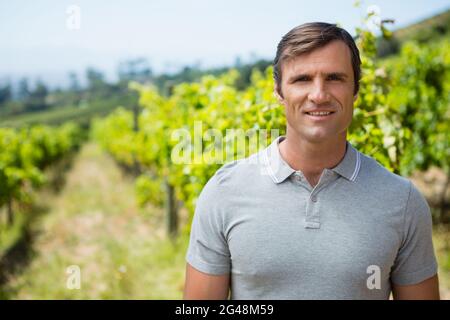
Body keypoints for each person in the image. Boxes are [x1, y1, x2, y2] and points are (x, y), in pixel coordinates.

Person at [183, 22, 440, 300]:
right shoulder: (224, 192)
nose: (318, 95)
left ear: (355, 90)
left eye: (334, 78)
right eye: (302, 79)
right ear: (279, 92)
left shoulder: (402, 202)